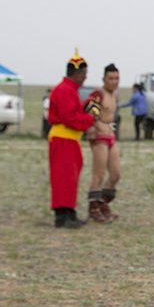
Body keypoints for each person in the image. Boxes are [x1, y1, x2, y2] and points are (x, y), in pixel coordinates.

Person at [47, 48, 96, 229]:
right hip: (63, 139)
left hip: (69, 140)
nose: (85, 78)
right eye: (84, 74)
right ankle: (62, 216)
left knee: (70, 178)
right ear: (78, 72)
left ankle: (69, 212)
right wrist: (90, 119)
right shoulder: (65, 91)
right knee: (63, 178)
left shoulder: (68, 90)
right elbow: (70, 119)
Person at [85, 63, 122, 222]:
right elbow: (86, 109)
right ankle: (93, 209)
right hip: (99, 136)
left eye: (116, 78)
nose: (114, 82)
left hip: (110, 134)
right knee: (98, 175)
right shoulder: (98, 94)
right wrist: (90, 129)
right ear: (104, 79)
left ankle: (102, 203)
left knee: (115, 174)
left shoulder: (115, 95)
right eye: (111, 78)